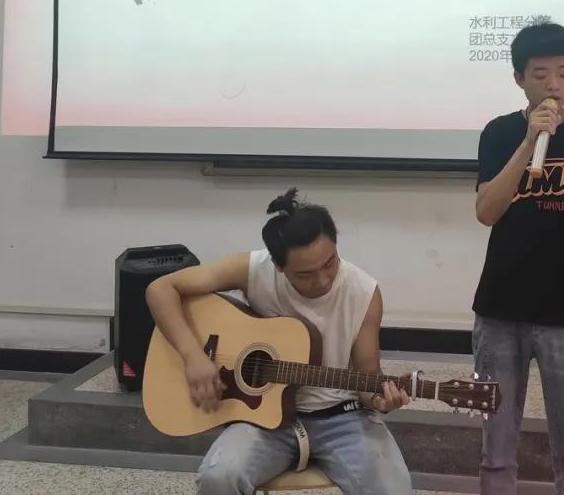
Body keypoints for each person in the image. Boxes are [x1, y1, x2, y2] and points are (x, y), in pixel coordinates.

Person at [145, 188, 413, 495]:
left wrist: (379, 400)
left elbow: (368, 376)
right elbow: (160, 290)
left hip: (342, 415)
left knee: (394, 489)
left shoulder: (364, 292)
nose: (323, 280)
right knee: (218, 478)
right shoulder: (251, 269)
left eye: (330, 263)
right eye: (305, 274)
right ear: (278, 265)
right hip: (261, 419)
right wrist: (193, 356)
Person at [472, 21, 564, 495]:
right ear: (520, 78)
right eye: (541, 75)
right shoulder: (499, 133)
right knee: (496, 445)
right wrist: (528, 142)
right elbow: (486, 212)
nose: (554, 85)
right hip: (501, 307)